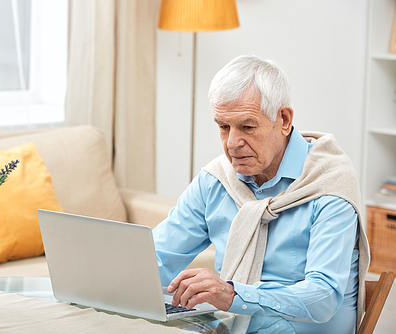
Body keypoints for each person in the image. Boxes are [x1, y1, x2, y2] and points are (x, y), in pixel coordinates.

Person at [152, 55, 369, 333]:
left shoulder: (328, 183)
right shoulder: (217, 180)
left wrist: (233, 295)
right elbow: (158, 257)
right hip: (230, 325)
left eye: (247, 126)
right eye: (223, 126)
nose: (232, 143)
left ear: (284, 119)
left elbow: (323, 297)